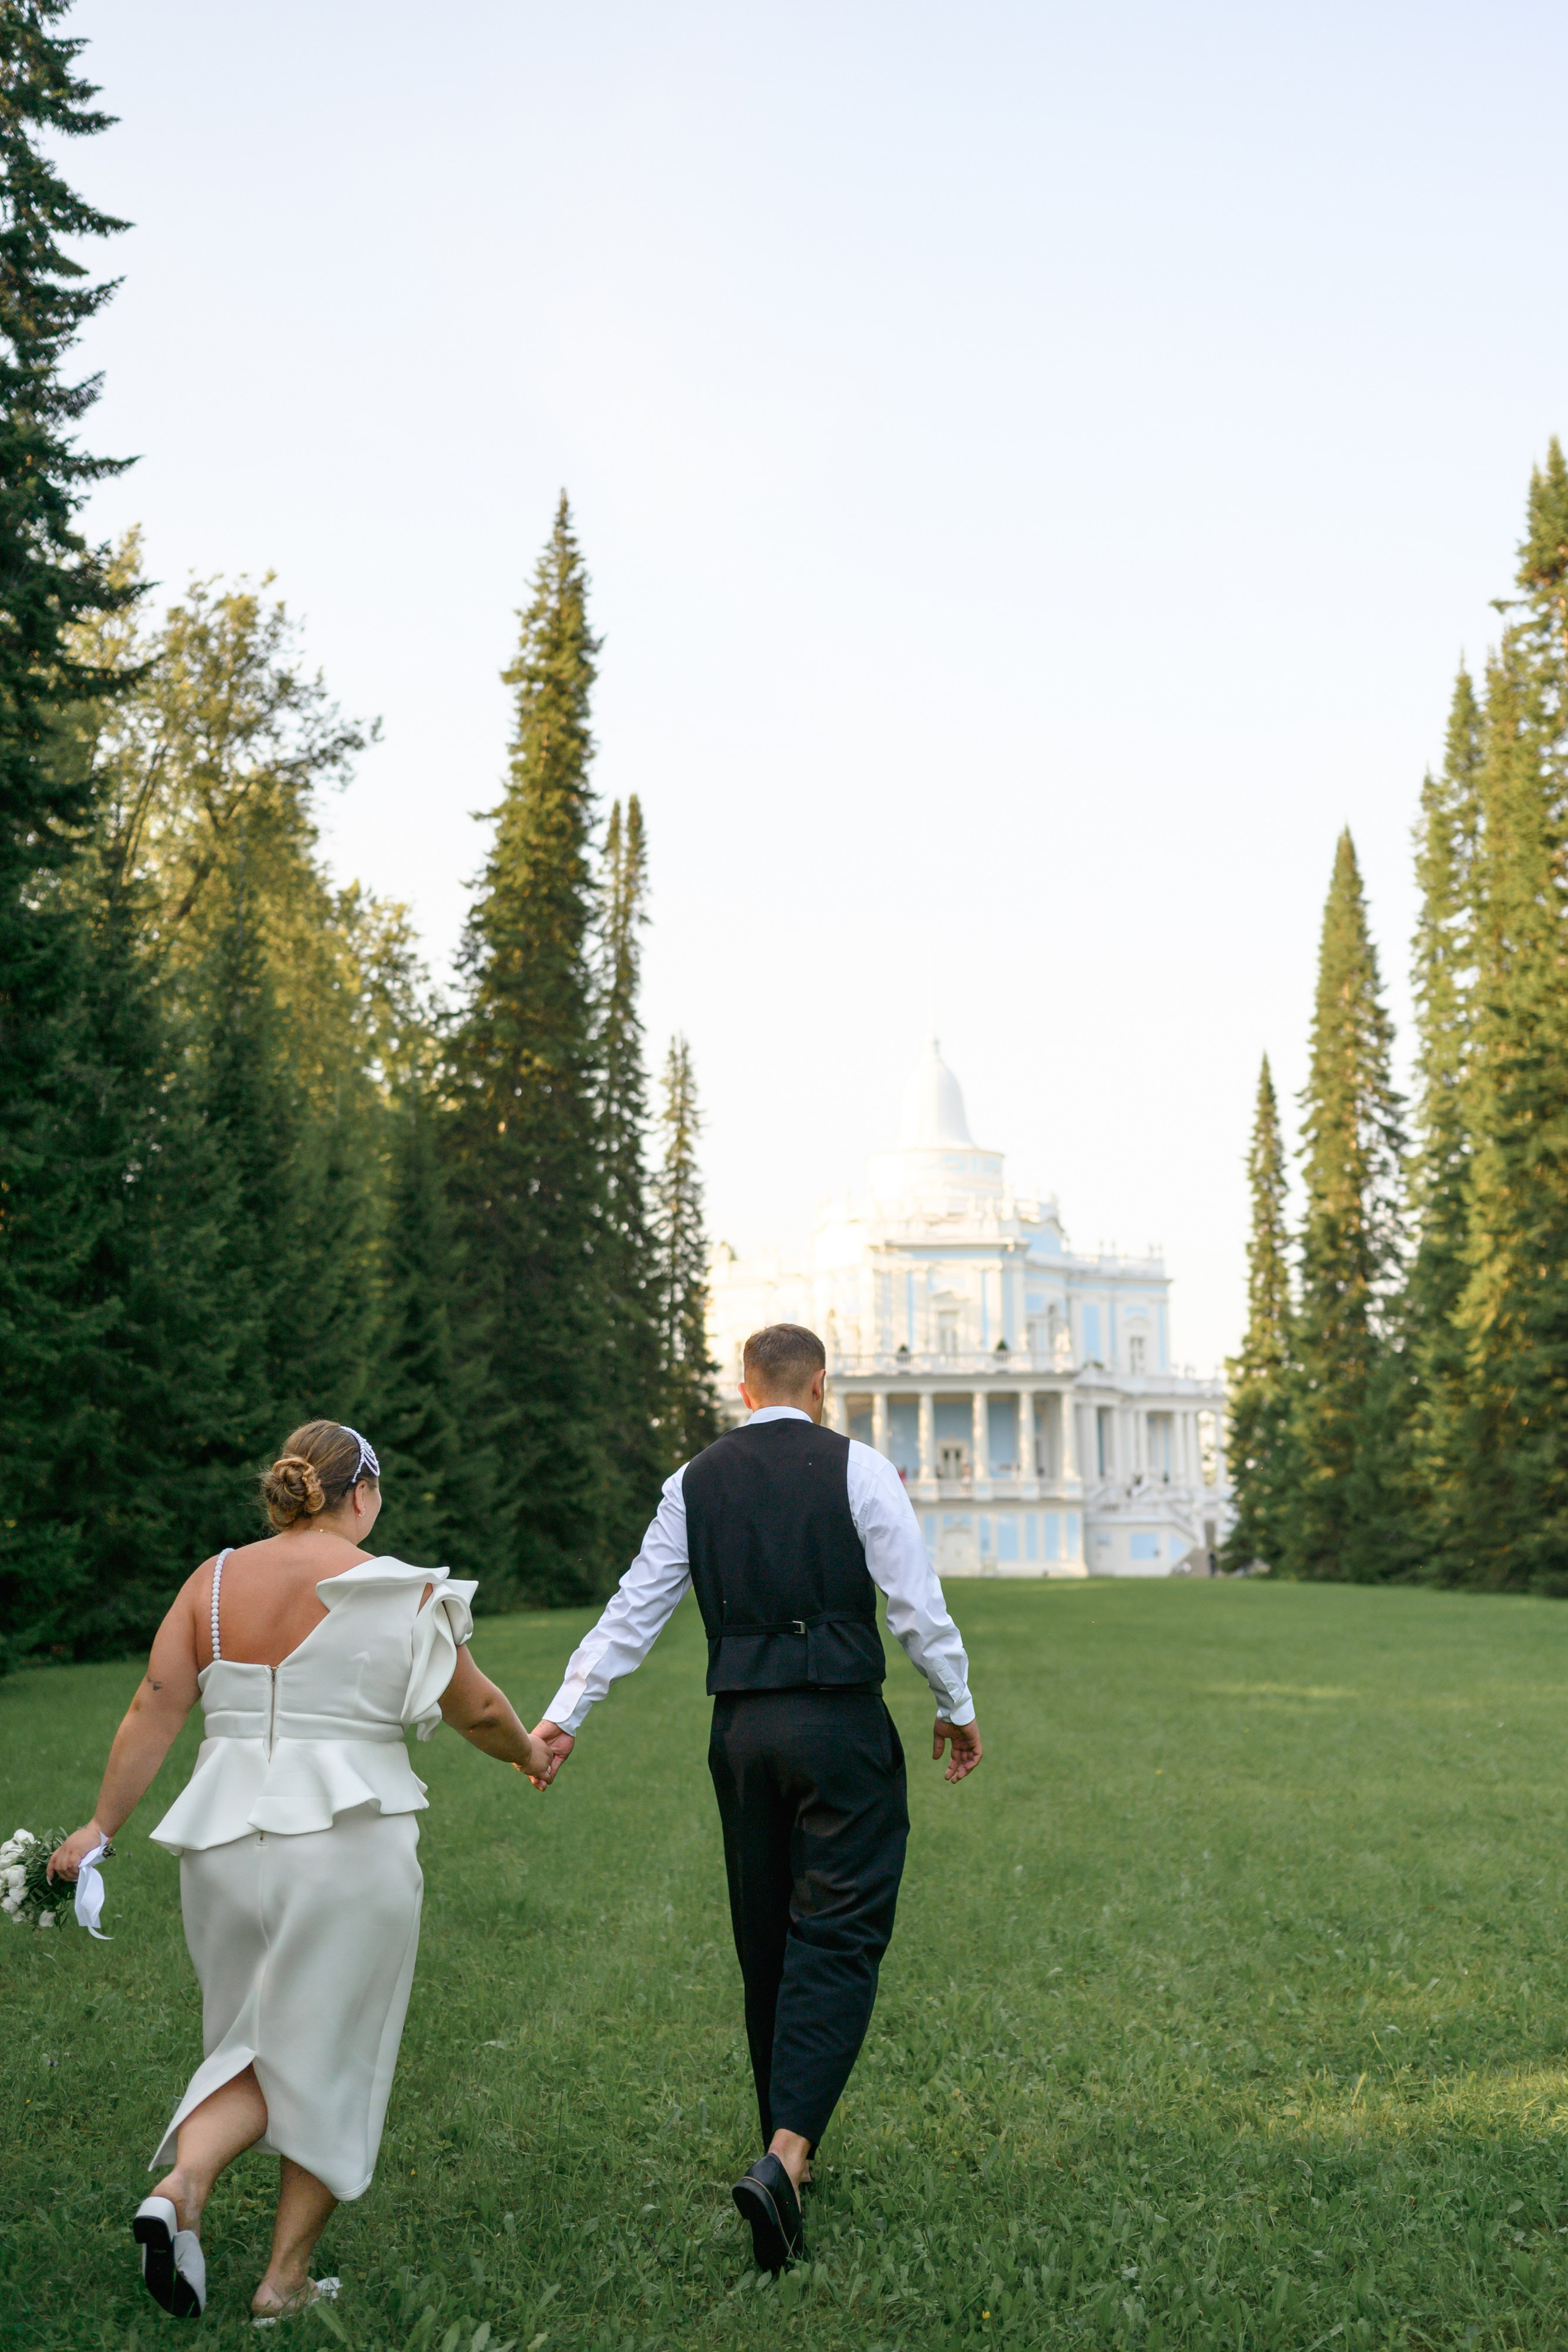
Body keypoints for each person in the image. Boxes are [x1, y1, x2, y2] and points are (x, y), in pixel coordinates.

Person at [49, 1420, 553, 2323]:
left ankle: (183, 2190)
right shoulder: (398, 1590)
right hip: (346, 1838)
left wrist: (99, 1825)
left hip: (220, 1842)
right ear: (361, 1495)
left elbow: (153, 1708)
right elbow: (474, 1707)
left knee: (251, 2035)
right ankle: (275, 2274)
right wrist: (526, 1752)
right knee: (330, 2049)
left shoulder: (210, 1584)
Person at [527, 1323, 982, 2274]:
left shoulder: (693, 1482)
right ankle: (785, 2155)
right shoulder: (862, 1473)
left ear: (745, 1390)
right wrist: (956, 1704)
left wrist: (568, 1712)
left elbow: (635, 1607)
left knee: (765, 1934)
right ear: (820, 1385)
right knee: (842, 1929)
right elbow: (916, 1604)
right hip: (841, 1726)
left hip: (740, 1735)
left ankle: (789, 2151)